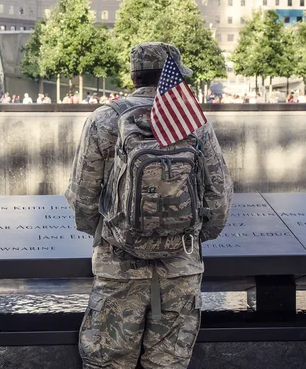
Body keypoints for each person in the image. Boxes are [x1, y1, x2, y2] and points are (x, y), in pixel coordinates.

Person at [65, 42, 233, 369]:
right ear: (173, 76)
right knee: (167, 364)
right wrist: (189, 237)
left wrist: (107, 234)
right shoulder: (191, 120)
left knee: (108, 363)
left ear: (133, 75)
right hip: (180, 268)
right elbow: (220, 196)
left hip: (119, 267)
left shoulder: (105, 119)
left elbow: (82, 196)